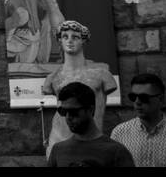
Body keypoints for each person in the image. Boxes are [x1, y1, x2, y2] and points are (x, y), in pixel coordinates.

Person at [41, 20, 118, 155]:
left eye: (75, 37)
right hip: (59, 140)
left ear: (83, 40)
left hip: (91, 141)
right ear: (60, 40)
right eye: (65, 37)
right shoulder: (52, 78)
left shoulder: (102, 75)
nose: (69, 41)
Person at [47, 82, 135, 167]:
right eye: (63, 111)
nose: (68, 117)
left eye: (73, 111)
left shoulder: (116, 152)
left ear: (90, 109)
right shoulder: (58, 150)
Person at [109, 73, 166, 166]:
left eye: (144, 98)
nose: (137, 102)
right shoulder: (119, 133)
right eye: (133, 97)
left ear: (160, 99)